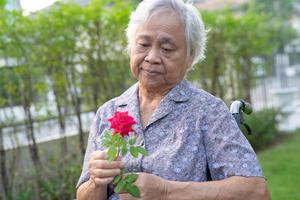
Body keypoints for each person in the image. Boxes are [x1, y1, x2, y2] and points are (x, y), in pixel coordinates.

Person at [76, 0, 270, 199]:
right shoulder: (108, 113)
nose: (151, 57)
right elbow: (83, 194)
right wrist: (95, 181)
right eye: (143, 44)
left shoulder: (207, 111)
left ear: (190, 56)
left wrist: (166, 191)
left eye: (167, 49)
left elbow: (256, 191)